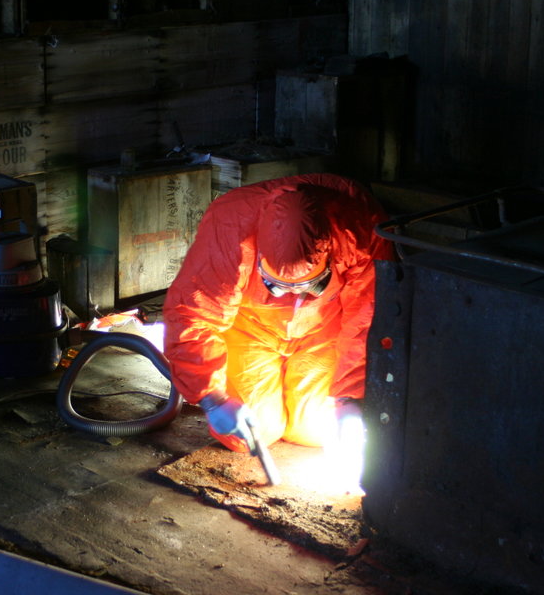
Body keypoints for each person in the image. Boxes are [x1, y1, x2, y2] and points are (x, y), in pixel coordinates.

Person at [162, 172, 395, 454]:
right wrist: (213, 400)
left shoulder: (360, 226)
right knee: (248, 434)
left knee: (320, 431)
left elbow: (366, 318)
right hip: (252, 326)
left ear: (329, 257)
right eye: (277, 286)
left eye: (311, 285)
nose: (293, 296)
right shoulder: (231, 228)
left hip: (323, 325)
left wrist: (349, 398)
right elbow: (194, 316)